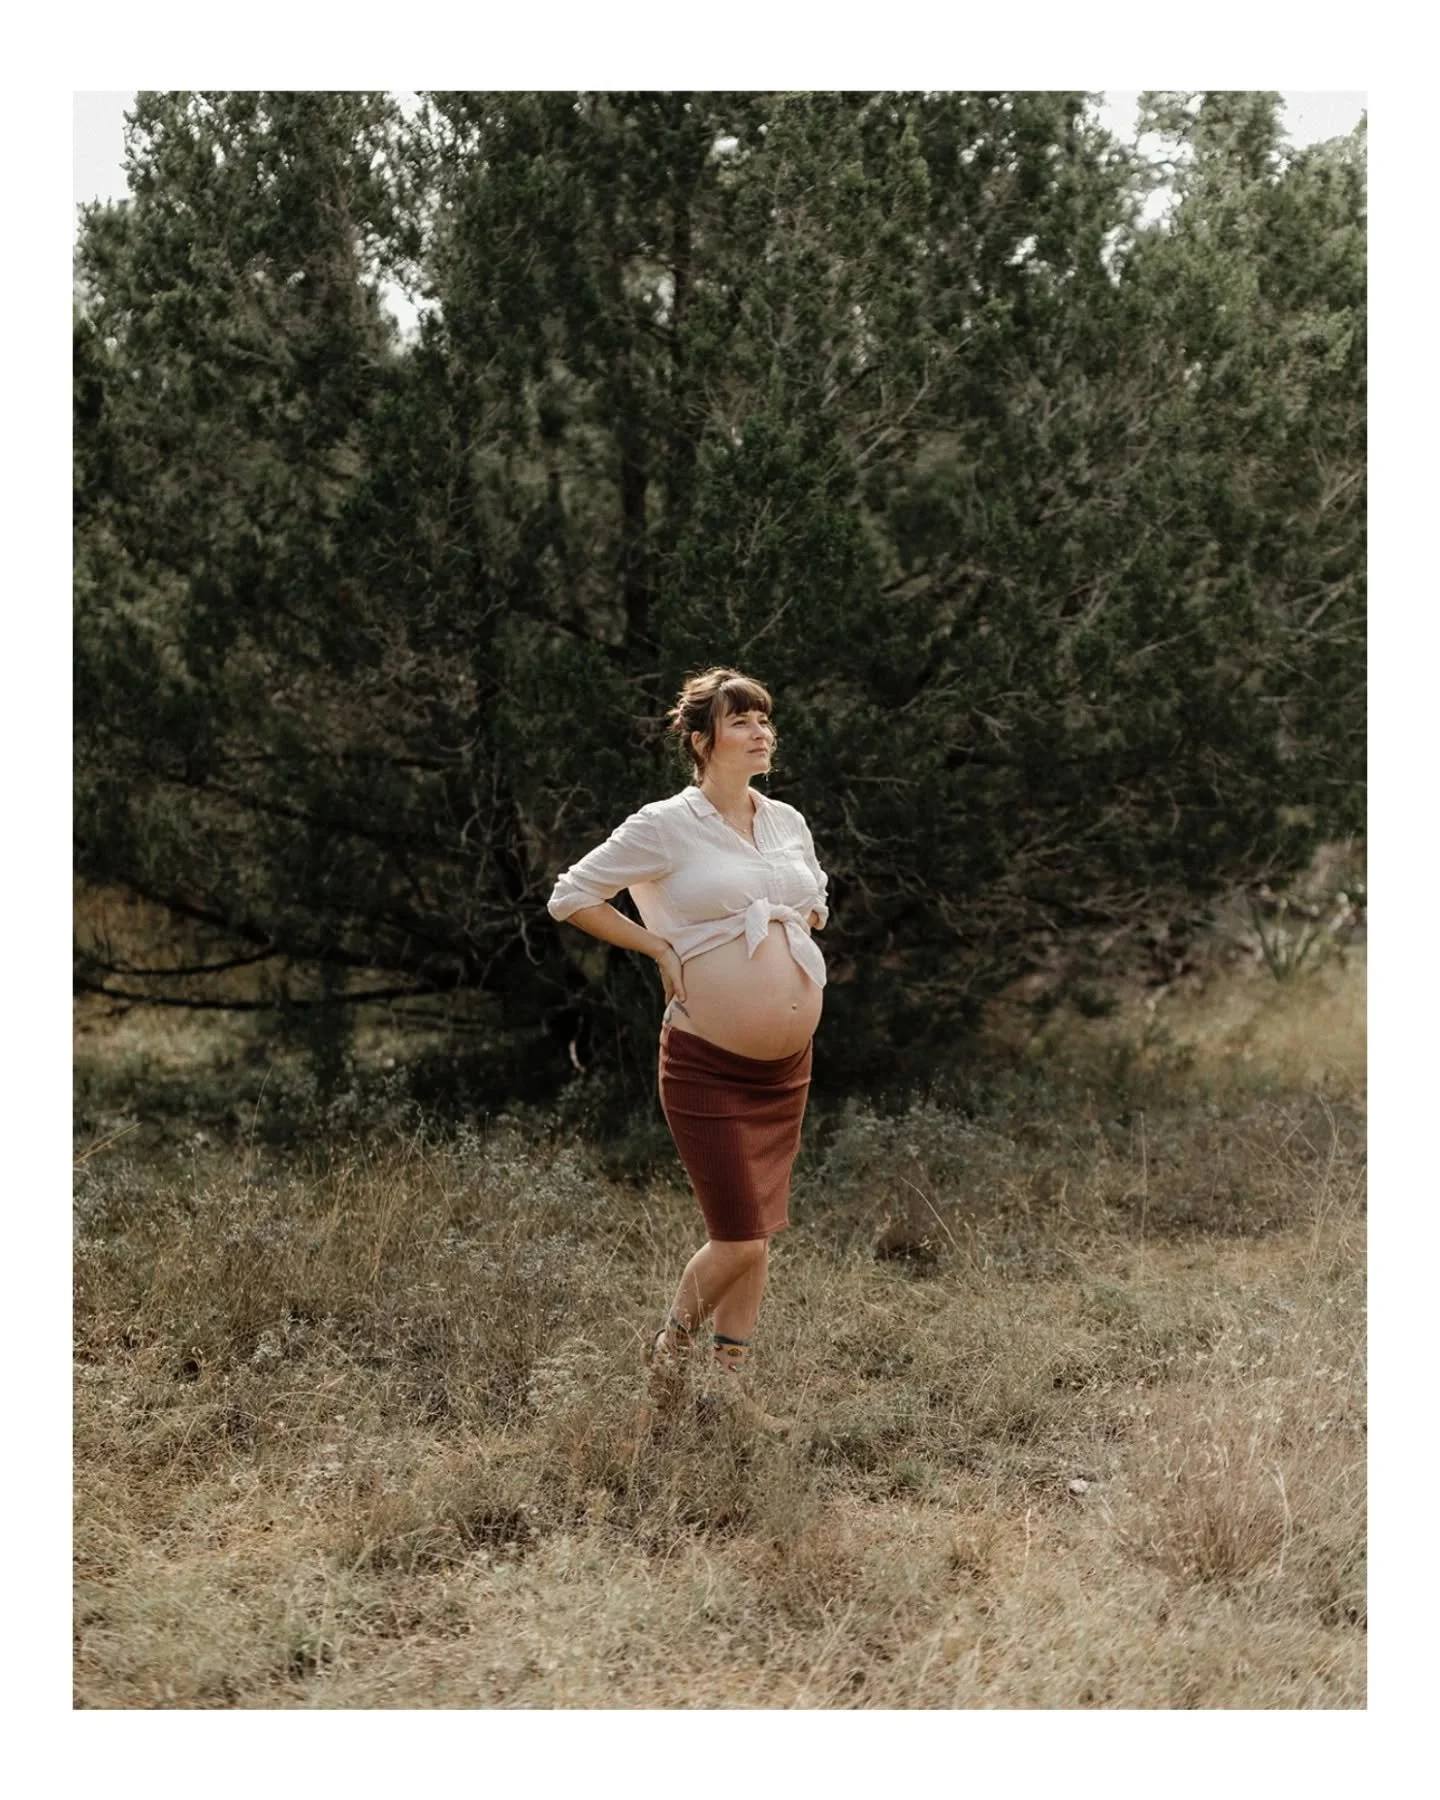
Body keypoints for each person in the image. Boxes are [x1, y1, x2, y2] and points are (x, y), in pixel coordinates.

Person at [547, 667, 829, 1433]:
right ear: (703, 741)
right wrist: (657, 947)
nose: (762, 732)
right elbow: (570, 895)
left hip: (784, 1066)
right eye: (743, 722)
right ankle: (667, 1360)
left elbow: (815, 898)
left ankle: (729, 1389)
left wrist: (793, 935)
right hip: (706, 1057)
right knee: (738, 1232)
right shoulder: (665, 825)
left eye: (766, 720)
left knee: (758, 1232)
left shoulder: (787, 821)